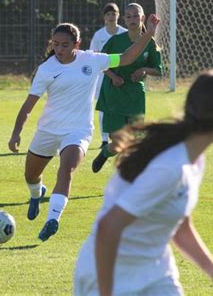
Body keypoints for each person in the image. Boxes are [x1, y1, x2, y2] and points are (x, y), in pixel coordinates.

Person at [74, 69, 213, 295]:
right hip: (109, 276)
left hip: (156, 276)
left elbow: (180, 226)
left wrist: (212, 269)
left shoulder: (193, 159)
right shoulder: (171, 166)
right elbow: (108, 228)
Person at [8, 15, 160, 242]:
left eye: (65, 45)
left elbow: (127, 57)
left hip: (78, 131)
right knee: (31, 175)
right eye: (55, 44)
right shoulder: (46, 69)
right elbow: (29, 105)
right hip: (48, 131)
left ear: (76, 45)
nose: (59, 49)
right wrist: (16, 133)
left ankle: (53, 219)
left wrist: (148, 33)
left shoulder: (92, 60)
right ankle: (36, 193)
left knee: (66, 168)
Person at [92, 3, 163, 173]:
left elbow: (158, 69)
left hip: (135, 97)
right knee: (119, 143)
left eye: (136, 15)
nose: (132, 19)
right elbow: (100, 63)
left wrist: (144, 69)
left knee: (136, 141)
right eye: (128, 16)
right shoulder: (115, 41)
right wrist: (114, 76)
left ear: (142, 18)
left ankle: (128, 175)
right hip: (114, 95)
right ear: (124, 19)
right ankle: (106, 152)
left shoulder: (150, 43)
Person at [89, 2, 128, 148]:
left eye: (114, 13)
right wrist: (111, 75)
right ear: (104, 17)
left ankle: (120, 137)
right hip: (103, 77)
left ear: (119, 16)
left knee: (121, 107)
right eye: (108, 14)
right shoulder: (99, 35)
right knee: (104, 108)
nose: (111, 17)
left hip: (123, 76)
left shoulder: (124, 33)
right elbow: (94, 57)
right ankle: (105, 139)